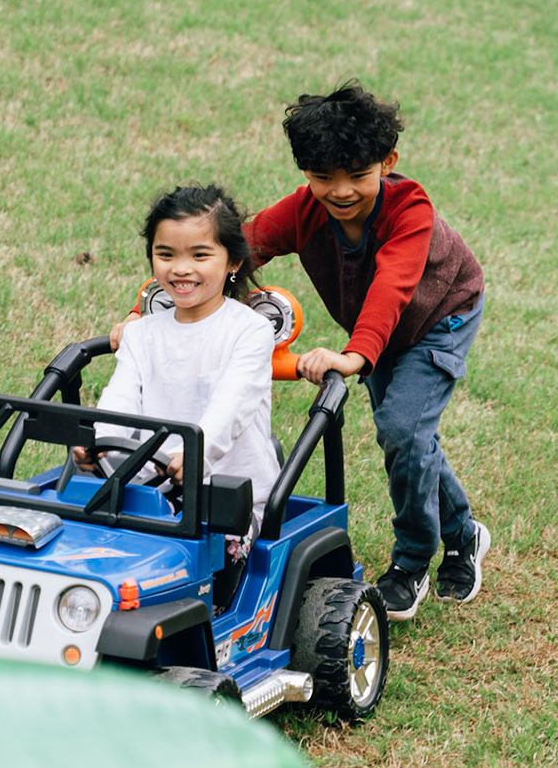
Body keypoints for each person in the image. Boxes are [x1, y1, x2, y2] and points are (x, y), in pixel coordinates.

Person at [247, 82, 487, 621]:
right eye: (323, 176)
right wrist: (152, 309)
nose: (341, 191)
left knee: (403, 430)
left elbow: (393, 284)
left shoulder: (410, 209)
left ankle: (411, 563)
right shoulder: (304, 211)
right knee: (410, 437)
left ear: (388, 162)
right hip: (378, 334)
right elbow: (235, 249)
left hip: (440, 318)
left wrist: (355, 356)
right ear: (305, 171)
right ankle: (464, 533)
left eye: (357, 174)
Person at [77, 185, 282, 549]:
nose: (181, 268)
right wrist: (99, 442)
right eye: (166, 254)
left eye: (200, 255)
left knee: (197, 556)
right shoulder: (141, 333)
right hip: (145, 491)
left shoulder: (250, 330)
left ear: (233, 262)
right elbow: (120, 398)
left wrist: (198, 452)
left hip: (226, 500)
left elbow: (232, 404)